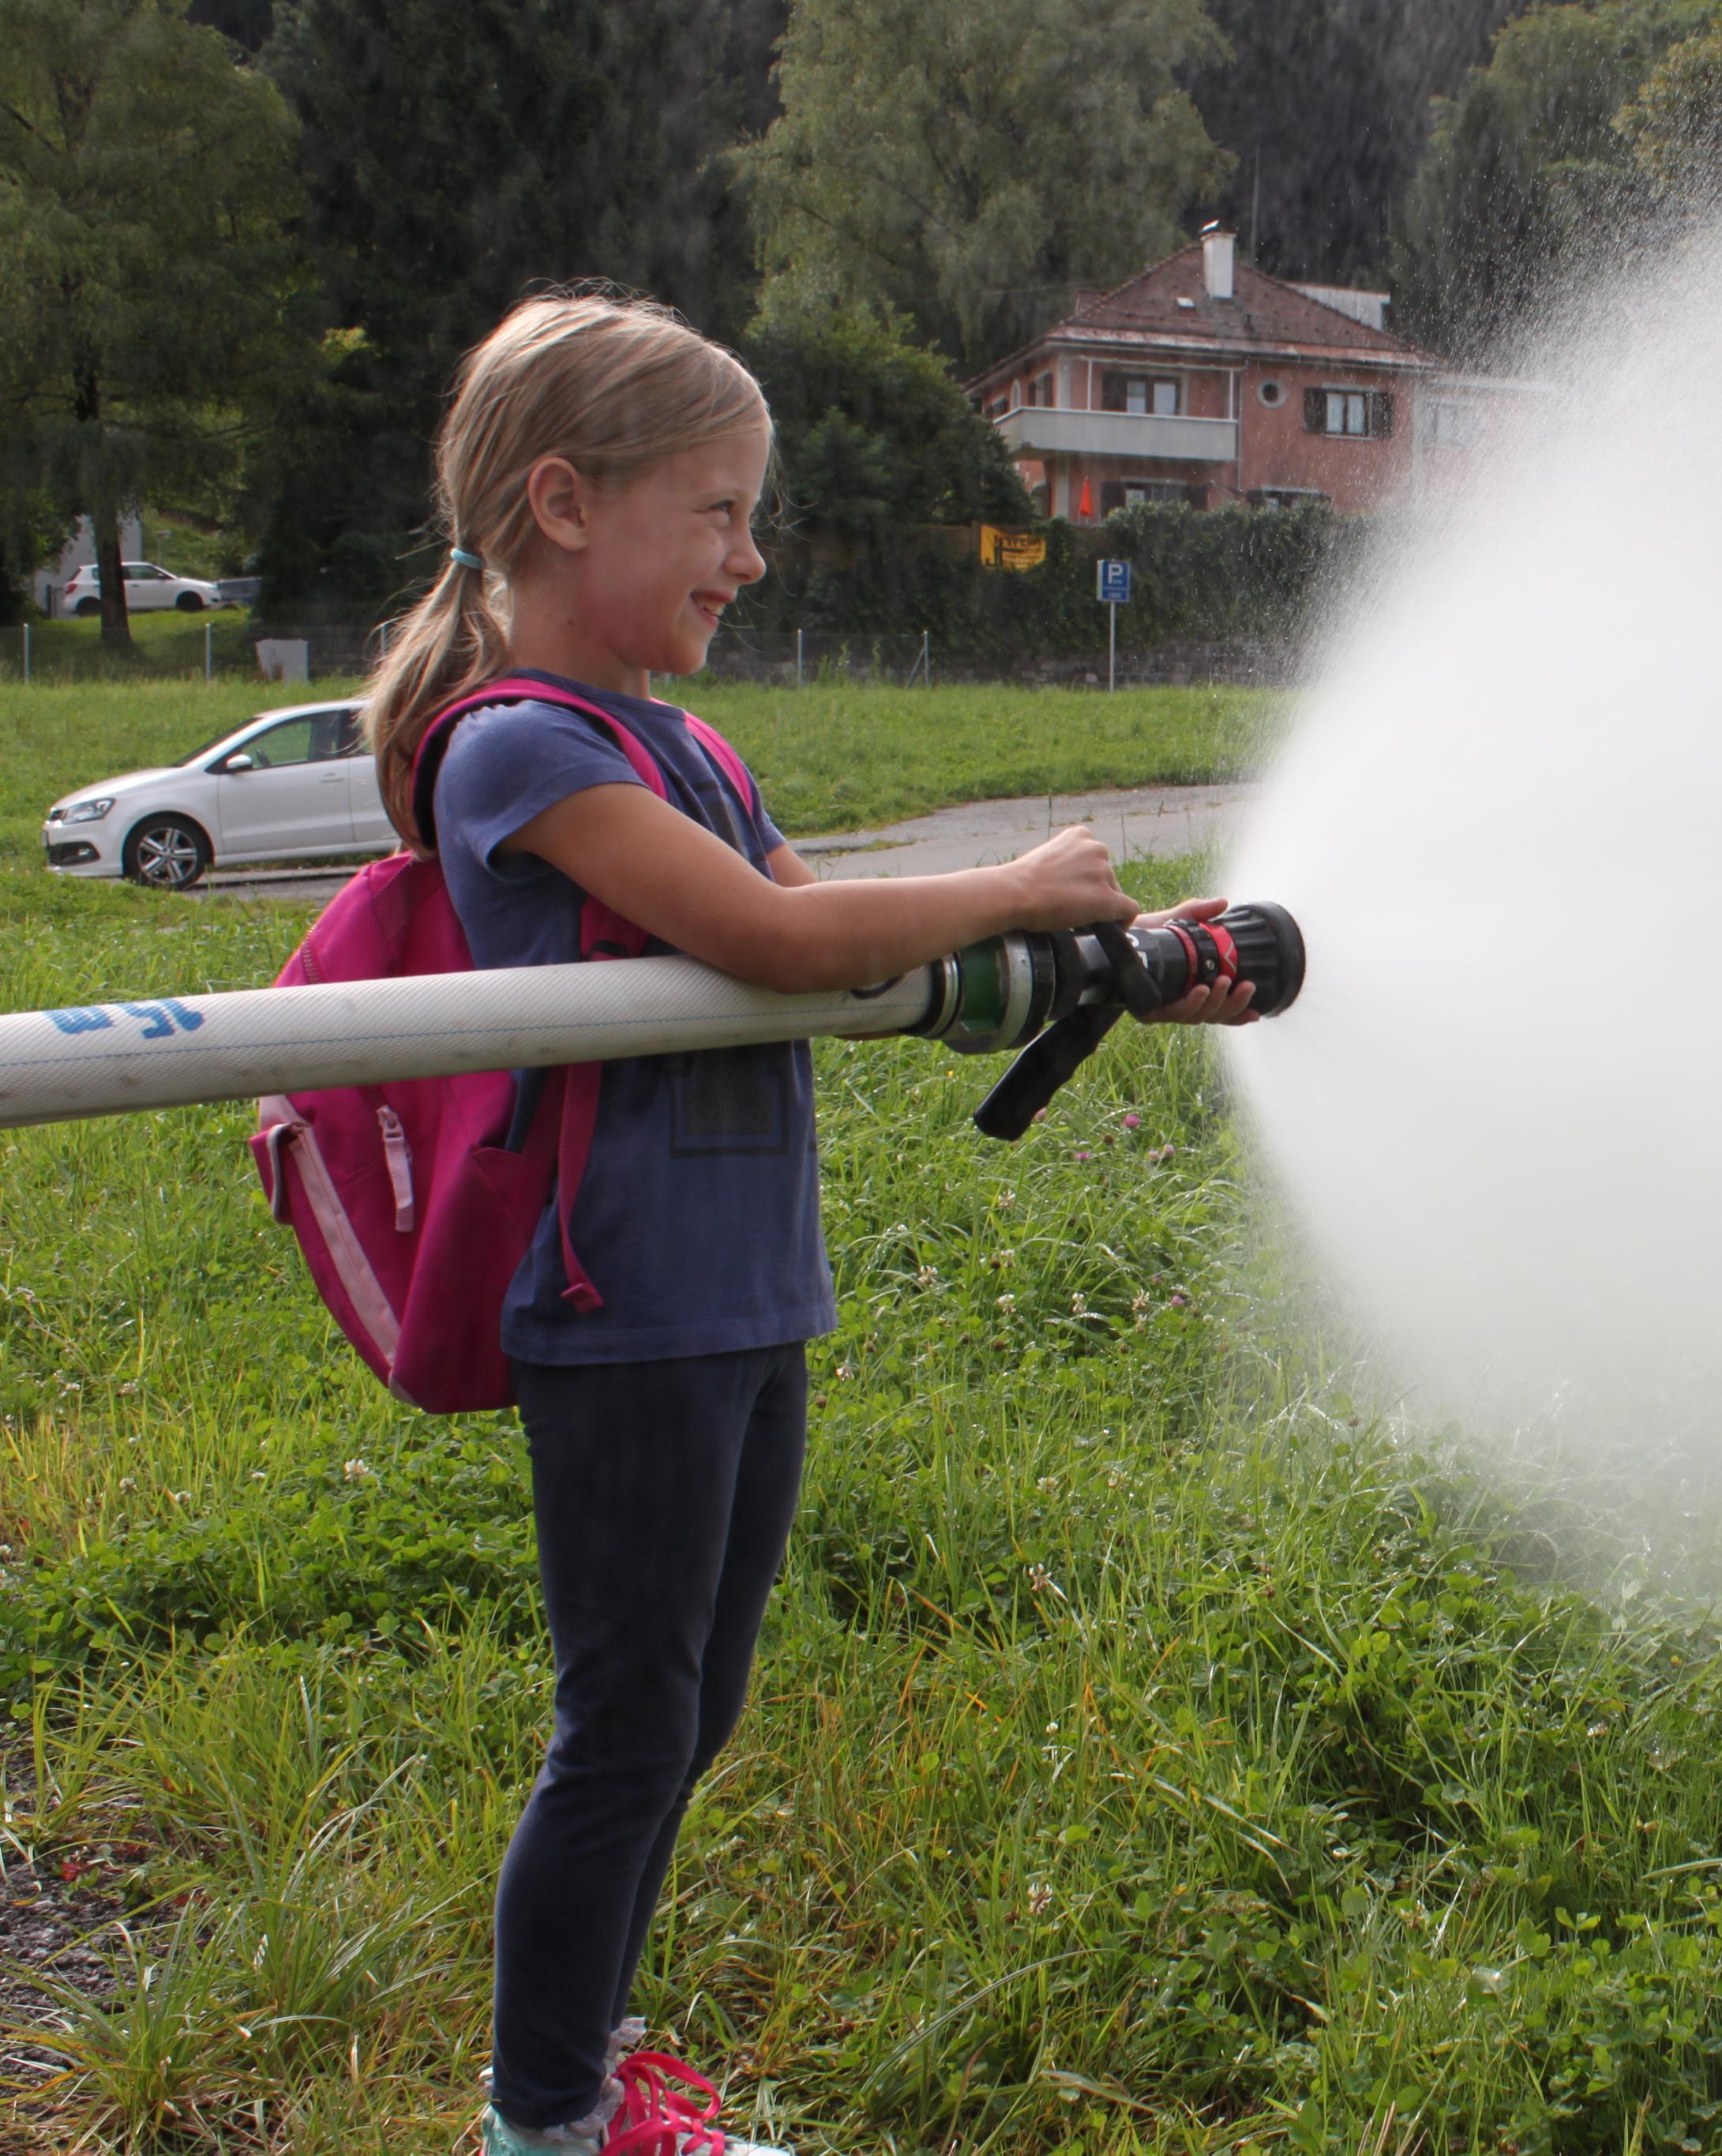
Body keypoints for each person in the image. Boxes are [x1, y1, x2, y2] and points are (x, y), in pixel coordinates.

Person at [355, 291, 1252, 2156]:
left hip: (747, 1294)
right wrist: (1011, 879)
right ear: (566, 504)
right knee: (625, 1725)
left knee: (691, 1712)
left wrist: (1129, 969)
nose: (749, 559)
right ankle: (545, 2124)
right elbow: (772, 937)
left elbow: (859, 966)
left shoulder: (689, 747)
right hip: (620, 1306)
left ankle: (589, 2077)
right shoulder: (515, 749)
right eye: (719, 512)